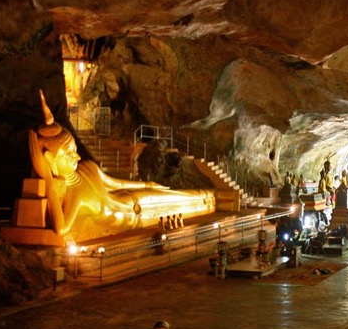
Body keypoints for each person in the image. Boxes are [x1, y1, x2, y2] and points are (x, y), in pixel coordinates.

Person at [28, 91, 215, 241]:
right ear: (50, 160)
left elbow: (116, 184)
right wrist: (47, 179)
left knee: (178, 195)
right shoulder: (74, 195)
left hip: (132, 199)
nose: (76, 156)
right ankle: (210, 198)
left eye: (75, 149)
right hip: (133, 217)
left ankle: (212, 195)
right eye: (68, 154)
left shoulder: (87, 167)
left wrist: (146, 185)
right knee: (189, 204)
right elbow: (61, 229)